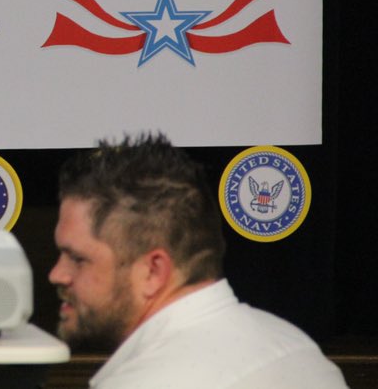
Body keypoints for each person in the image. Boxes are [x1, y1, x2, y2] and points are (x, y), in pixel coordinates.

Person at [49, 132, 347, 388]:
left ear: (153, 271)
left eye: (77, 258)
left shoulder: (146, 383)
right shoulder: (295, 347)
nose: (57, 274)